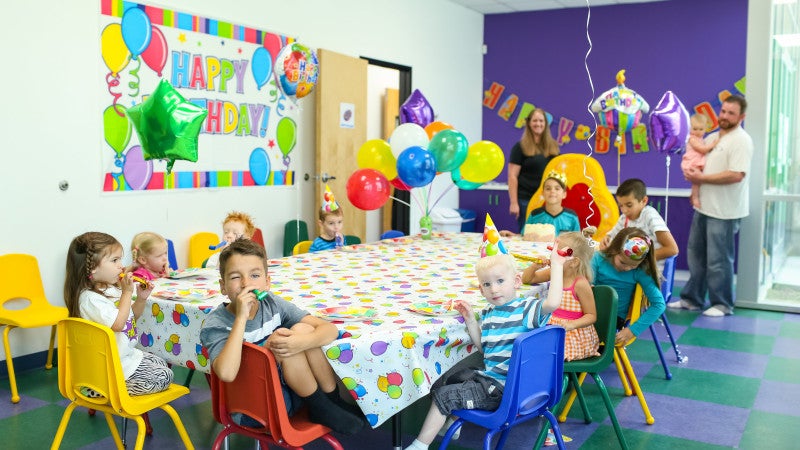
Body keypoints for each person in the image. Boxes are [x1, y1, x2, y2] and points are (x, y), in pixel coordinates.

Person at [403, 235, 567, 450]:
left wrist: (557, 264)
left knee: (443, 396)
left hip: (505, 391)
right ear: (481, 290)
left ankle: (419, 446)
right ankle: (453, 423)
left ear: (517, 281)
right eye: (487, 284)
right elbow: (484, 349)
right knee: (454, 377)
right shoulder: (489, 313)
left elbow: (553, 302)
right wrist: (471, 319)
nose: (494, 289)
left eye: (500, 281)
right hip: (495, 381)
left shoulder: (526, 309)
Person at [199, 239, 365, 435]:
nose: (246, 283)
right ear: (223, 286)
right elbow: (226, 373)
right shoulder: (216, 324)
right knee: (281, 340)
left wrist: (300, 342)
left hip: (289, 393)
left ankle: (330, 400)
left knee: (302, 330)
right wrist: (241, 318)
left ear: (267, 282)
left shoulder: (272, 304)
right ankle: (321, 406)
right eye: (236, 277)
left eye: (255, 275)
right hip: (251, 408)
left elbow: (329, 330)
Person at [64, 231, 174, 396]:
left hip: (124, 356)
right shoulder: (89, 299)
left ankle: (113, 387)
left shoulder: (109, 289)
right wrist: (127, 292)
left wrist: (141, 299)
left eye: (120, 259)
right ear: (92, 268)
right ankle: (103, 389)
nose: (121, 266)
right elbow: (118, 324)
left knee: (161, 362)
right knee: (165, 376)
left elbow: (130, 318)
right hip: (110, 367)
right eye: (114, 260)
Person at [673, 95, 754, 317]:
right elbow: (698, 162)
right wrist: (693, 179)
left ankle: (722, 304)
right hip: (703, 206)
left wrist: (701, 178)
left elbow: (736, 174)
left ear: (741, 117)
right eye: (723, 111)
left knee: (719, 260)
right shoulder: (712, 137)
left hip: (725, 211)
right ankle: (692, 299)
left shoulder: (741, 140)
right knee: (696, 255)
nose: (725, 116)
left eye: (731, 113)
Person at [521, 231, 599, 361]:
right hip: (550, 328)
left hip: (570, 334)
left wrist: (572, 324)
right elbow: (527, 279)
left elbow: (591, 316)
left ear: (574, 262)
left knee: (542, 354)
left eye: (557, 253)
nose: (551, 256)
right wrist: (535, 266)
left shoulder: (580, 284)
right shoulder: (553, 272)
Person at [592, 227, 665, 346]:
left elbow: (659, 304)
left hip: (611, 321)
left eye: (633, 266)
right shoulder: (598, 258)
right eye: (622, 262)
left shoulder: (640, 271)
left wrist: (632, 330)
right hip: (589, 314)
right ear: (614, 250)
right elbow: (587, 287)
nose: (626, 268)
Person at [600, 178, 679, 263]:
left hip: (650, 268)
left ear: (644, 201)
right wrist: (607, 239)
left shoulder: (650, 216)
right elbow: (611, 236)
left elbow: (672, 249)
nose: (624, 210)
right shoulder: (623, 218)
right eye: (621, 206)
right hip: (632, 267)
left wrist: (639, 260)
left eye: (629, 205)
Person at [507, 108, 560, 233]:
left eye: (541, 121)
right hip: (526, 199)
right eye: (535, 121)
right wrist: (514, 203)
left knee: (548, 234)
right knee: (527, 234)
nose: (538, 124)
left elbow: (556, 172)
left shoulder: (553, 146)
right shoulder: (520, 147)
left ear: (545, 124)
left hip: (547, 199)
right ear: (529, 123)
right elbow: (512, 176)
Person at [500, 169, 579, 240]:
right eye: (548, 188)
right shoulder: (534, 215)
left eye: (557, 188)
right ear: (543, 193)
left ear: (564, 194)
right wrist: (512, 236)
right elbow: (524, 236)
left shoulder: (572, 217)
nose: (552, 191)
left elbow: (578, 242)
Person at [682, 114, 719, 208]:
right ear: (689, 128)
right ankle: (695, 198)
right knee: (696, 182)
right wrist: (713, 144)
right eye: (695, 129)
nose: (698, 132)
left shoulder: (700, 138)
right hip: (692, 163)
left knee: (699, 182)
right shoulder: (692, 139)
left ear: (705, 129)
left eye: (701, 129)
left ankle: (697, 196)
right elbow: (702, 149)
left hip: (696, 161)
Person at [310, 184, 345, 252]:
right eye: (331, 223)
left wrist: (342, 245)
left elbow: (344, 256)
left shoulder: (342, 238)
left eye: (339, 222)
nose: (336, 227)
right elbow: (310, 258)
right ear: (321, 224)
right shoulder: (318, 244)